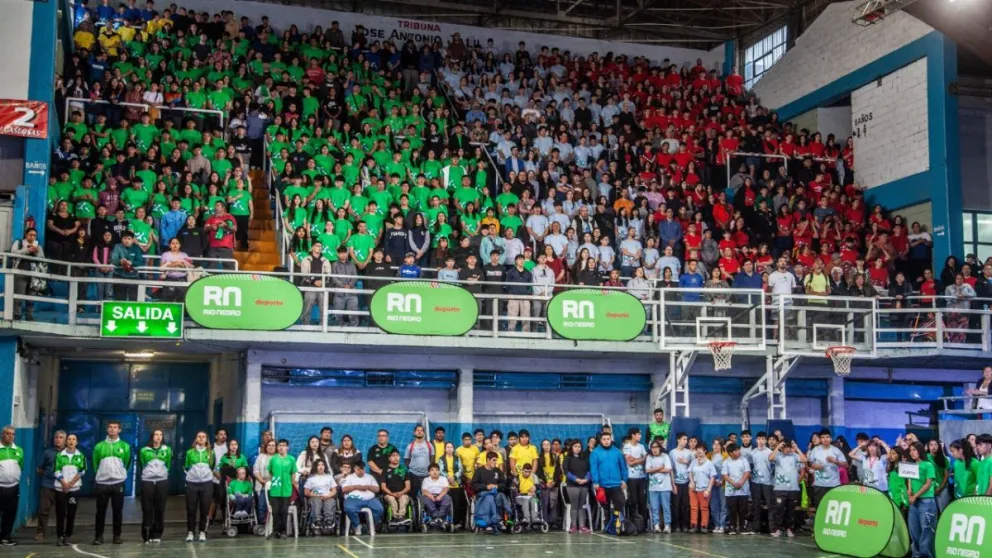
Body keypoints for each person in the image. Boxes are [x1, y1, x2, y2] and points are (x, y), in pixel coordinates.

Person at [93, 420, 130, 545]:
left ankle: (117, 536)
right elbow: (95, 464)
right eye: (110, 427)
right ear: (107, 429)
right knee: (100, 511)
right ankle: (98, 536)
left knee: (117, 510)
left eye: (115, 427)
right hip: (102, 483)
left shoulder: (125, 446)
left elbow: (127, 463)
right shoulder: (99, 446)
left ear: (119, 430)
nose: (112, 429)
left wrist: (121, 475)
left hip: (118, 482)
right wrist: (100, 475)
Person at [589, 431, 627, 534]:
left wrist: (624, 480)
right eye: (604, 439)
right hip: (602, 485)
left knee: (618, 505)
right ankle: (607, 527)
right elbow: (594, 469)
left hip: (616, 484)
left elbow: (623, 467)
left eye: (608, 439)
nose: (606, 441)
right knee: (605, 508)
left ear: (611, 440)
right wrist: (596, 482)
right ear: (601, 440)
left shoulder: (617, 452)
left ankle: (619, 526)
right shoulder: (595, 453)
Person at [138, 429, 172, 544]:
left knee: (160, 508)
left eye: (161, 434)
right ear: (152, 436)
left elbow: (168, 465)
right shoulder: (143, 450)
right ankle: (146, 534)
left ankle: (157, 533)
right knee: (147, 508)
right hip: (147, 481)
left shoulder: (167, 450)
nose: (158, 437)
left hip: (162, 481)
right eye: (156, 434)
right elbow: (141, 464)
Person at [53, 432, 85, 547]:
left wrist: (70, 484)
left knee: (71, 513)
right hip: (60, 488)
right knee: (60, 513)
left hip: (74, 489)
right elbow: (56, 470)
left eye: (74, 439)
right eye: (69, 439)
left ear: (77, 442)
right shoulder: (59, 455)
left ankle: (68, 536)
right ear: (66, 442)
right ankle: (59, 536)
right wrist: (63, 483)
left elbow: (82, 471)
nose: (71, 441)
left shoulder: (80, 456)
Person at [768, 439, 804, 538]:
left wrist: (797, 449)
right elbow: (770, 458)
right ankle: (778, 529)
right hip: (779, 488)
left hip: (793, 489)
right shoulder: (778, 456)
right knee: (779, 509)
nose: (788, 449)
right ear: (782, 447)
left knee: (791, 511)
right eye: (785, 447)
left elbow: (805, 460)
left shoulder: (795, 456)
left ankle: (790, 529)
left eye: (789, 447)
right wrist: (777, 447)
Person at [907, 441, 937, 558]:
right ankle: (916, 555)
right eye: (911, 450)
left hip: (926, 501)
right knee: (914, 530)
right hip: (913, 502)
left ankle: (926, 555)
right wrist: (909, 492)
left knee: (927, 531)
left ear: (920, 450)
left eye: (914, 450)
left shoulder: (927, 465)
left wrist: (915, 496)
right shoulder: (911, 465)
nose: (912, 452)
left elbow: (928, 484)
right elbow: (909, 480)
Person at [183, 431, 215, 542]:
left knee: (204, 509)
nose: (201, 438)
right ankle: (190, 532)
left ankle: (202, 532)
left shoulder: (211, 453)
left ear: (206, 440)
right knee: (191, 509)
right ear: (196, 439)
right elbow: (186, 466)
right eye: (199, 437)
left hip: (206, 483)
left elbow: (212, 465)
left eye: (203, 437)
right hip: (192, 483)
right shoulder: (190, 452)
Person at [36, 430, 67, 542]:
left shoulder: (69, 453)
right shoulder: (47, 453)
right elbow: (40, 469)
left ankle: (62, 533)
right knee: (44, 509)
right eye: (56, 437)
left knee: (62, 511)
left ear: (65, 440)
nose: (58, 439)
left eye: (60, 437)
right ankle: (40, 532)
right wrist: (47, 477)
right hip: (48, 485)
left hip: (63, 487)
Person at [341, 460, 383, 535]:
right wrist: (356, 487)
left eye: (362, 469)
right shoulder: (349, 477)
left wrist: (368, 487)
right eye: (359, 469)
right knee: (349, 508)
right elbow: (344, 489)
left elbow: (377, 489)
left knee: (379, 509)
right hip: (353, 499)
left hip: (370, 499)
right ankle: (357, 525)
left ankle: (371, 526)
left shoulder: (370, 477)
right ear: (354, 469)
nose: (361, 471)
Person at [267, 439, 298, 539]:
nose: (281, 447)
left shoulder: (291, 459)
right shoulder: (273, 459)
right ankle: (275, 531)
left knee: (284, 511)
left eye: (284, 445)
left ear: (287, 447)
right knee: (275, 511)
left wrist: (288, 482)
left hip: (286, 490)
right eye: (279, 445)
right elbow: (270, 473)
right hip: (275, 490)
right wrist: (275, 481)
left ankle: (283, 531)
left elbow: (293, 473)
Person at [808, 429, 846, 510]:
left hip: (834, 484)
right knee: (819, 507)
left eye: (827, 437)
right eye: (823, 437)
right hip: (819, 484)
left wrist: (835, 461)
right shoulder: (815, 450)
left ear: (830, 438)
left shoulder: (836, 450)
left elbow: (846, 465)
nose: (825, 439)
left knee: (833, 508)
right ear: (820, 439)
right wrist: (815, 466)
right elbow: (809, 463)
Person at [472, 451, 509, 534]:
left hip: (496, 493)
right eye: (494, 460)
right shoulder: (480, 471)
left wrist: (497, 486)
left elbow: (504, 484)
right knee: (489, 497)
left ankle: (498, 520)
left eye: (496, 460)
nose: (495, 462)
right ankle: (491, 521)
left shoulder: (498, 471)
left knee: (499, 497)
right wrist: (486, 487)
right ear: (488, 460)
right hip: (483, 494)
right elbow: (474, 485)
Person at [0, 426, 23, 546]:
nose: (11, 436)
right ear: (2, 435)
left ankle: (5, 537)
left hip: (13, 487)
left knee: (10, 513)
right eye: (8, 434)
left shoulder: (18, 450)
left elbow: (21, 466)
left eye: (13, 434)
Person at [645, 440, 674, 533]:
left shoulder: (665, 456)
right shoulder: (649, 457)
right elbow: (647, 470)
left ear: (660, 448)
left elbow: (668, 469)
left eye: (656, 447)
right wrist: (660, 467)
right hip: (653, 487)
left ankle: (667, 525)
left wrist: (654, 470)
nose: (654, 449)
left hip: (665, 486)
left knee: (666, 507)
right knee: (654, 507)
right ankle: (656, 525)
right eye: (653, 447)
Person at [722, 442, 751, 536]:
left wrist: (741, 483)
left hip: (743, 490)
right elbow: (725, 475)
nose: (738, 452)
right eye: (736, 450)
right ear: (731, 453)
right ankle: (732, 527)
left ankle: (743, 527)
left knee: (743, 509)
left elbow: (747, 473)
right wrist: (734, 483)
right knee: (732, 509)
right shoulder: (726, 462)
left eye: (738, 450)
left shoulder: (744, 460)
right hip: (731, 491)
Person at [748, 431, 773, 534]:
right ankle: (756, 528)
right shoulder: (752, 452)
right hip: (755, 482)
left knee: (770, 506)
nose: (761, 441)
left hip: (768, 482)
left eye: (763, 439)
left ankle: (772, 528)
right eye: (759, 439)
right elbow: (750, 467)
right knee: (756, 506)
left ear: (766, 440)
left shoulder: (770, 452)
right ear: (756, 440)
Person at [303, 460, 338, 531]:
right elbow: (306, 492)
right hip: (315, 497)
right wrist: (317, 495)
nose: (321, 467)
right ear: (316, 467)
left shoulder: (329, 477)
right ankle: (317, 520)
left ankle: (329, 520)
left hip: (327, 496)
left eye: (322, 465)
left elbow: (334, 490)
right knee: (317, 501)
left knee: (330, 502)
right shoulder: (311, 478)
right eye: (319, 465)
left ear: (325, 466)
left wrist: (328, 495)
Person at [688, 444, 715, 533]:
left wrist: (708, 490)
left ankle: (704, 526)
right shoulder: (693, 462)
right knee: (694, 507)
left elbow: (712, 477)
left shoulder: (709, 463)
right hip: (694, 488)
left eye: (701, 449)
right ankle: (693, 525)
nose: (699, 451)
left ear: (705, 451)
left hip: (704, 488)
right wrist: (692, 482)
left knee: (704, 508)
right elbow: (690, 472)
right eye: (697, 449)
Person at [623, 428, 648, 524]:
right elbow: (630, 463)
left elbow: (646, 458)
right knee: (633, 501)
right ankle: (634, 522)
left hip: (642, 478)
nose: (640, 436)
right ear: (633, 435)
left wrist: (635, 459)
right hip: (631, 478)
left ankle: (643, 524)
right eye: (638, 434)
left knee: (642, 501)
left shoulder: (641, 446)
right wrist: (641, 459)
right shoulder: (627, 446)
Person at [669, 432, 692, 533]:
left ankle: (685, 525)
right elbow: (670, 469)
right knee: (676, 505)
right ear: (678, 440)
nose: (686, 442)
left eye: (686, 439)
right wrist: (672, 483)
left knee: (686, 505)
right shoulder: (672, 453)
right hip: (676, 482)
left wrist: (686, 462)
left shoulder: (689, 453)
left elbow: (693, 466)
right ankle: (676, 525)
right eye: (684, 439)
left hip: (686, 482)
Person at [382, 449, 412, 525]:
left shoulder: (404, 469)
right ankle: (394, 518)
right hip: (389, 494)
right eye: (393, 456)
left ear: (399, 457)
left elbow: (408, 487)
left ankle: (401, 517)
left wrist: (401, 493)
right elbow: (383, 487)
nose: (395, 457)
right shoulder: (385, 470)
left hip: (402, 493)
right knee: (391, 499)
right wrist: (392, 494)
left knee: (404, 498)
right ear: (389, 458)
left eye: (397, 455)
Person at [404, 425, 434, 497]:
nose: (419, 432)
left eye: (421, 430)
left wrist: (428, 468)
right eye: (418, 430)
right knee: (412, 495)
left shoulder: (429, 445)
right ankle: (414, 507)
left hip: (426, 475)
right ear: (414, 433)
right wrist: (413, 468)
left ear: (423, 433)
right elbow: (406, 460)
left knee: (427, 496)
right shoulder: (410, 446)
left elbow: (432, 457)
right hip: (413, 475)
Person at [420, 462, 453, 527]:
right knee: (425, 499)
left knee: (447, 498)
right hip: (429, 495)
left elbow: (446, 489)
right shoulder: (426, 480)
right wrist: (431, 496)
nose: (434, 472)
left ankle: (440, 515)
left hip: (441, 495)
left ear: (439, 471)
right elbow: (424, 490)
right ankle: (436, 515)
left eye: (436, 470)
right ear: (429, 472)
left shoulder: (443, 479)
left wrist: (440, 496)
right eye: (432, 470)